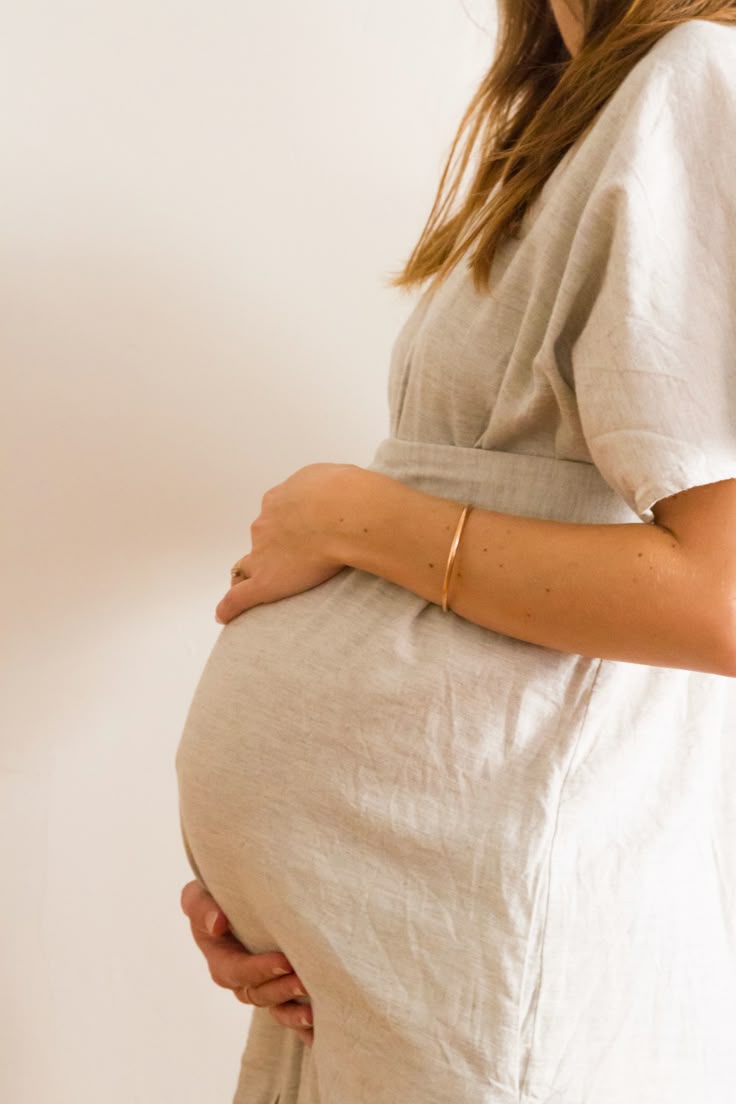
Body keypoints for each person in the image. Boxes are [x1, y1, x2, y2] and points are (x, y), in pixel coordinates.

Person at [176, 1, 736, 1100]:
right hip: (393, 932)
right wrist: (275, 880)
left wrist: (352, 517)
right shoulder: (584, 107)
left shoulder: (697, 79)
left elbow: (721, 598)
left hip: (492, 942)